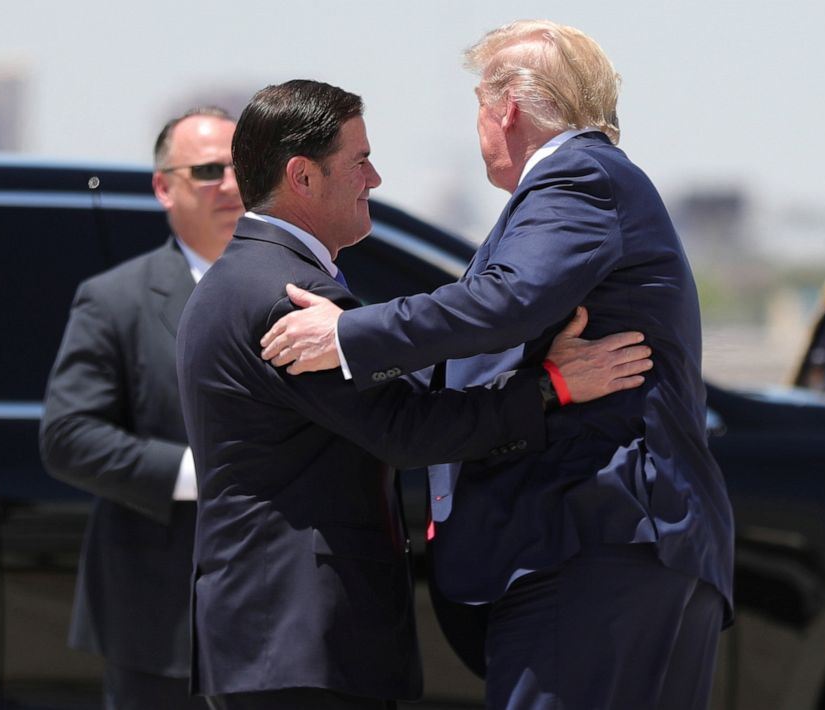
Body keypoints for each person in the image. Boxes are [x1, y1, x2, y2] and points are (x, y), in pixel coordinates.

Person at [259, 20, 735, 710]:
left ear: (504, 108)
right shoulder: (581, 188)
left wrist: (349, 335)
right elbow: (486, 350)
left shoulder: (578, 178)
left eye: (478, 104)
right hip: (610, 554)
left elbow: (504, 303)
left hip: (598, 548)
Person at [176, 79, 651, 710]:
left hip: (271, 639)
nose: (373, 178)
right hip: (298, 639)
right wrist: (552, 387)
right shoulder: (284, 296)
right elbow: (406, 430)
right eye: (358, 160)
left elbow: (379, 403)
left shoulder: (244, 276)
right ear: (303, 177)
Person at [39, 107, 243, 710]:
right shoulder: (115, 300)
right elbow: (69, 436)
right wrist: (199, 475)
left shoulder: (304, 290)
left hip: (284, 624)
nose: (231, 184)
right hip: (161, 624)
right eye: (209, 170)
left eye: (243, 168)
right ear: (163, 186)